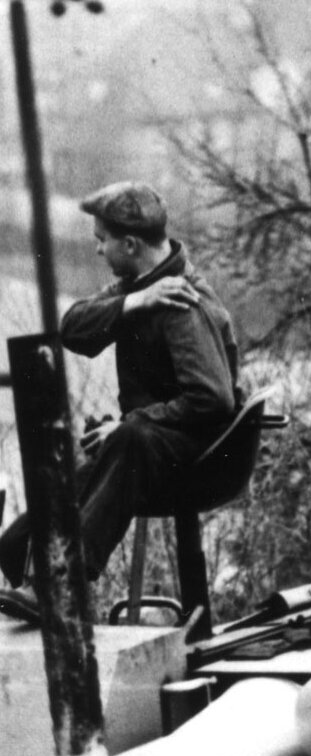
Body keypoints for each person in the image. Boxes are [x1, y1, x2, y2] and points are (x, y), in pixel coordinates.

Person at [0, 180, 240, 592]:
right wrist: (132, 304)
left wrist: (132, 423)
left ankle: (60, 584)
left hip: (199, 452)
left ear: (129, 244)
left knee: (128, 437)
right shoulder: (144, 287)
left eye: (102, 240)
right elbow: (74, 327)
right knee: (17, 542)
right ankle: (29, 575)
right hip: (154, 441)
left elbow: (212, 400)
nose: (97, 249)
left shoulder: (182, 303)